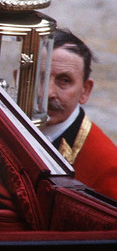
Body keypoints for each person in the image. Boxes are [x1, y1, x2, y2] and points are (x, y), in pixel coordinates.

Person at [39, 28, 117, 199]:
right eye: (40, 77)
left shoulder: (107, 165)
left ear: (85, 91)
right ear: (19, 79)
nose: (48, 92)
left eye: (64, 80)